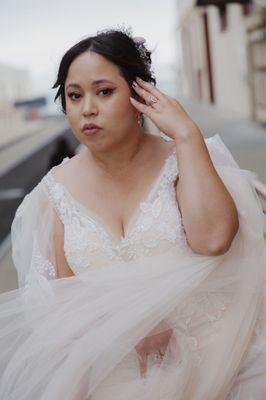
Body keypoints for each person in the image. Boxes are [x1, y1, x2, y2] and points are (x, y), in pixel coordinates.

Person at [0, 26, 264, 400]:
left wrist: (186, 133)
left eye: (104, 92)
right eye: (75, 96)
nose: (87, 108)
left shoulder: (187, 157)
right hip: (112, 375)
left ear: (140, 94)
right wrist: (122, 329)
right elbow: (57, 312)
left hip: (217, 361)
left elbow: (215, 240)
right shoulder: (52, 193)